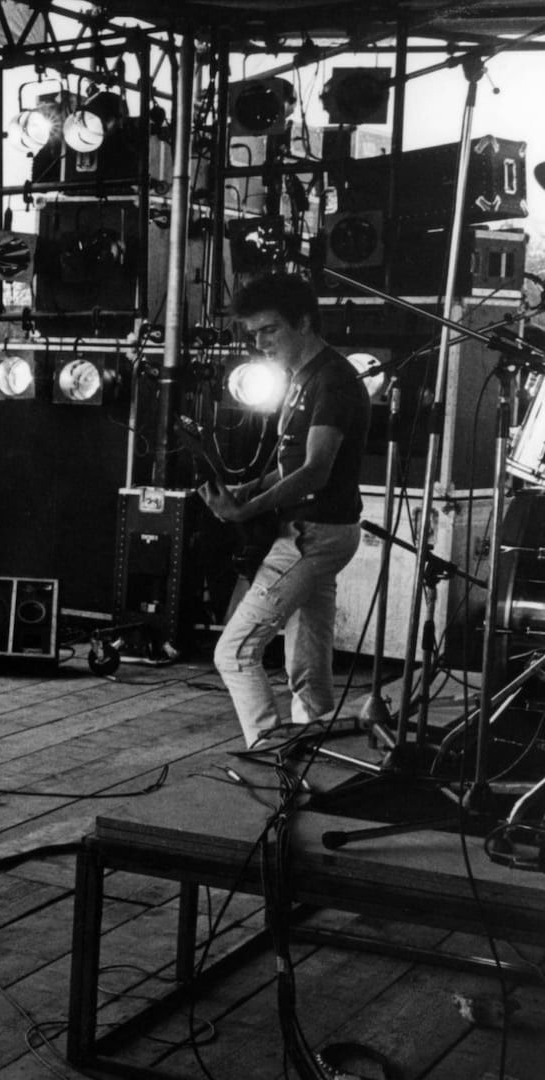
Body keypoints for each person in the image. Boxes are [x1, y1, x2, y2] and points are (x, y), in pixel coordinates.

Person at [202, 273, 368, 750]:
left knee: (234, 652)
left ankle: (267, 749)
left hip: (313, 534)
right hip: (321, 531)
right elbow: (290, 465)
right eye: (253, 333)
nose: (260, 343)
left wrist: (246, 510)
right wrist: (248, 488)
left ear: (304, 322)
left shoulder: (333, 381)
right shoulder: (302, 377)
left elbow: (315, 471)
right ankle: (317, 753)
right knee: (308, 664)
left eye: (270, 330)